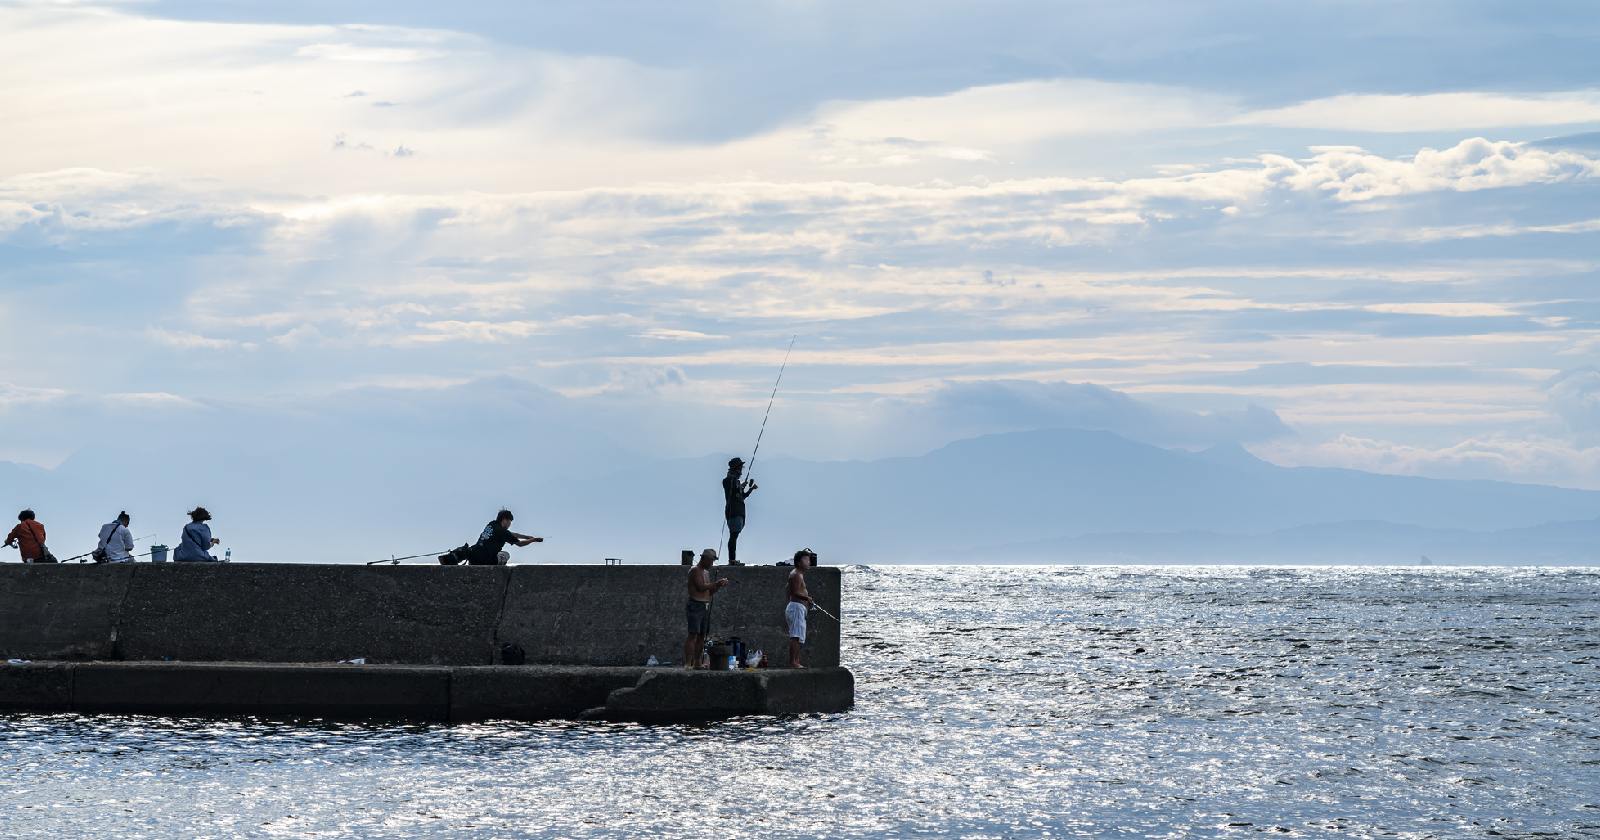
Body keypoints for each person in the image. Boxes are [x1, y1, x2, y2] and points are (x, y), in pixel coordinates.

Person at [684, 548, 729, 668]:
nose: (712, 564)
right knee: (693, 634)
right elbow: (700, 587)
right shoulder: (695, 570)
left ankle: (697, 662)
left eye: (713, 561)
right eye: (710, 561)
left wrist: (719, 586)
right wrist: (717, 583)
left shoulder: (706, 573)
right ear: (703, 558)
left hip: (705, 605)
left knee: (702, 636)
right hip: (695, 605)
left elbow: (709, 591)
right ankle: (688, 663)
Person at [469, 509, 542, 565]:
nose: (510, 524)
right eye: (509, 522)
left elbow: (510, 534)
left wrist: (526, 537)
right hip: (485, 560)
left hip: (473, 558)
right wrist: (532, 540)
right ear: (504, 520)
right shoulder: (503, 532)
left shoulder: (492, 524)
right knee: (506, 555)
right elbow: (520, 544)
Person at [722, 457, 757, 566]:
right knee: (733, 536)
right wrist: (740, 485)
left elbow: (741, 496)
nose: (741, 471)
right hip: (733, 512)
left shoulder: (735, 482)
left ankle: (732, 559)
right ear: (736, 469)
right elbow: (733, 491)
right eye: (740, 468)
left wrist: (749, 489)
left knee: (734, 536)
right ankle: (732, 560)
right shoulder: (728, 480)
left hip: (739, 512)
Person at [785, 549, 816, 668]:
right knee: (796, 636)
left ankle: (796, 661)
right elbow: (794, 592)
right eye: (806, 559)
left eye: (809, 559)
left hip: (798, 608)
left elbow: (787, 589)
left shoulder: (798, 574)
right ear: (798, 562)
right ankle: (793, 662)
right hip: (796, 607)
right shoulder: (796, 574)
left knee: (799, 636)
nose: (809, 562)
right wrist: (807, 598)